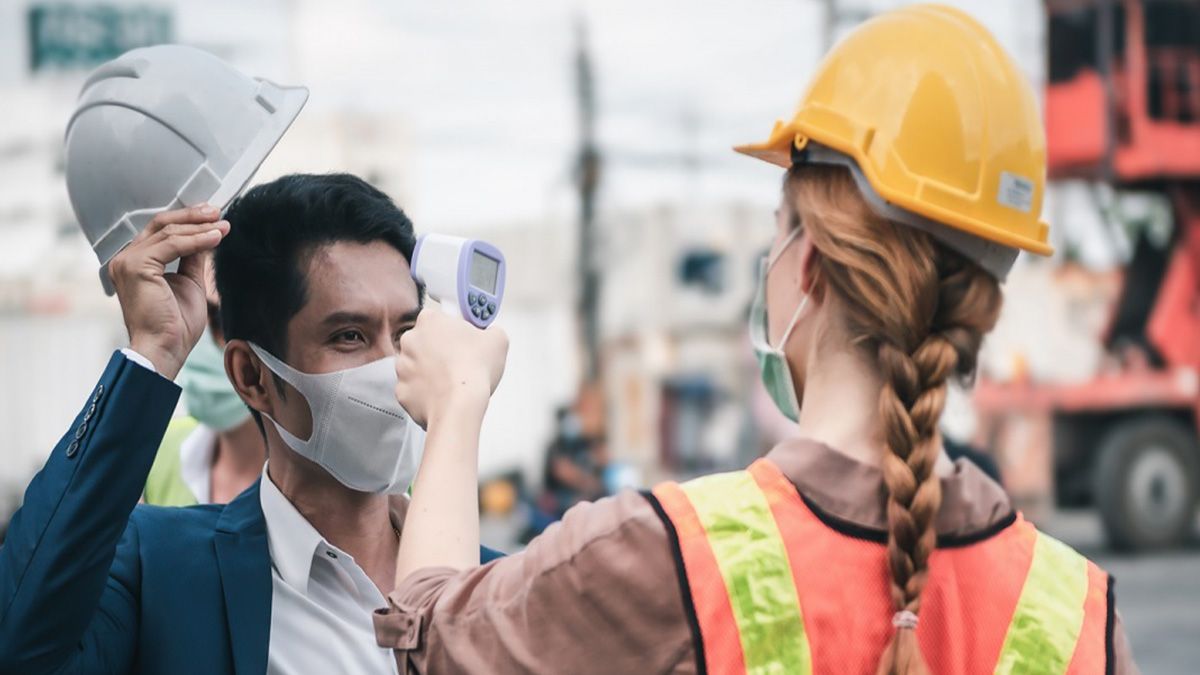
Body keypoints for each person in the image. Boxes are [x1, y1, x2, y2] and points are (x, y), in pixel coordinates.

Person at [375, 6, 1138, 674]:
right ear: (982, 298)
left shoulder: (673, 552)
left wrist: (455, 403)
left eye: (775, 235)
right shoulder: (1078, 613)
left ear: (806, 264)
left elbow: (434, 640)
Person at [0, 174, 502, 674]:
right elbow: (24, 646)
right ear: (252, 376)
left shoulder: (500, 587)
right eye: (350, 336)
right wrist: (152, 352)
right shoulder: (162, 568)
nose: (392, 366)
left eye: (406, 332)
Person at [144, 272, 266, 506]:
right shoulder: (156, 447)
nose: (198, 334)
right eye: (186, 309)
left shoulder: (322, 480)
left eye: (220, 320)